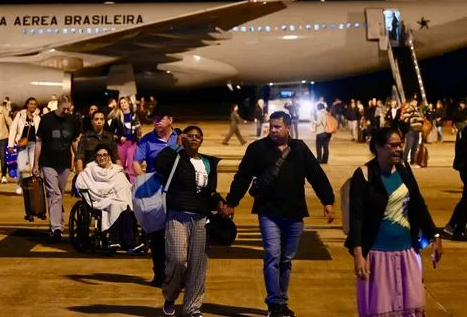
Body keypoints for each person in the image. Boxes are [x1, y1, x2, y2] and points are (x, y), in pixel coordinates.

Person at [224, 111, 335, 317]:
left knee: (286, 259)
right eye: (271, 126)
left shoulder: (299, 149)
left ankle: (282, 301)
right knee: (272, 255)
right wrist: (231, 202)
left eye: (277, 127)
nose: (273, 130)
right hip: (269, 213)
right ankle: (274, 303)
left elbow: (316, 175)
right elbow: (242, 177)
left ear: (288, 128)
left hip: (294, 214)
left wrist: (327, 200)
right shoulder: (257, 149)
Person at [346, 127, 443, 316]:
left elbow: (418, 204)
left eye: (400, 145)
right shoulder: (364, 175)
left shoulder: (404, 169)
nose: (399, 149)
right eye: (393, 145)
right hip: (377, 255)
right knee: (381, 308)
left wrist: (435, 235)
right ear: (378, 147)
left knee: (410, 307)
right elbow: (356, 217)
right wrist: (358, 254)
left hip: (408, 252)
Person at [154, 126, 227, 317]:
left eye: (197, 136)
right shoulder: (176, 158)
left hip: (201, 218)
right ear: (184, 138)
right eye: (190, 136)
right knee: (178, 260)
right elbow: (159, 165)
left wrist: (220, 202)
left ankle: (192, 308)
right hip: (178, 215)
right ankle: (170, 296)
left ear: (202, 140)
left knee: (197, 265)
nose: (194, 139)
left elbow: (209, 192)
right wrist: (174, 147)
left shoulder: (208, 162)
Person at [132, 107, 182, 287]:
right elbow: (136, 162)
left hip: (178, 190)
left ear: (171, 119)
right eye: (155, 119)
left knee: (177, 234)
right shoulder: (147, 140)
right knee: (157, 234)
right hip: (156, 191)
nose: (157, 121)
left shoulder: (181, 138)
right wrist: (143, 179)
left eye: (161, 118)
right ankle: (159, 274)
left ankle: (177, 275)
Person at [32, 94, 80, 241]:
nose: (66, 111)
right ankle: (56, 228)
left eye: (68, 109)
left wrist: (78, 160)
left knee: (59, 194)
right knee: (55, 194)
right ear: (58, 106)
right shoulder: (46, 120)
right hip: (48, 162)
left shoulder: (73, 120)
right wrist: (35, 163)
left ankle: (58, 222)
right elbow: (39, 142)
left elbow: (74, 141)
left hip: (64, 163)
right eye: (64, 109)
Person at [75, 145, 135, 249]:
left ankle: (129, 241)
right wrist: (104, 191)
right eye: (99, 155)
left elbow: (124, 186)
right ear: (96, 157)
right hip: (99, 200)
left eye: (105, 155)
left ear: (109, 157)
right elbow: (82, 182)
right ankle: (115, 239)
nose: (102, 157)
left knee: (126, 205)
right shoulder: (90, 170)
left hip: (117, 198)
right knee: (116, 205)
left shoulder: (116, 170)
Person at [444, 124, 467, 240]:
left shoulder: (463, 130)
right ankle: (456, 228)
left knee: (465, 200)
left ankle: (453, 226)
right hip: (465, 167)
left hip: (463, 166)